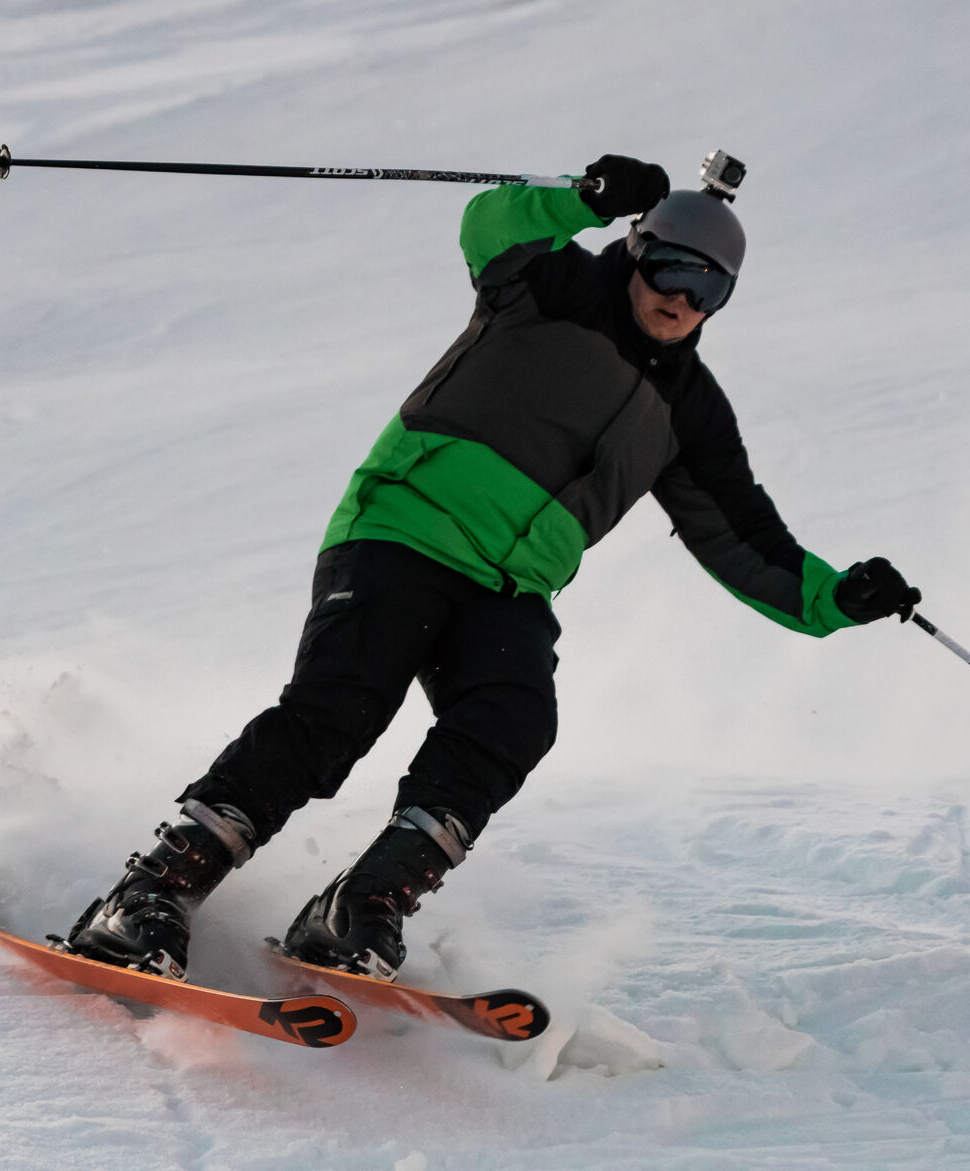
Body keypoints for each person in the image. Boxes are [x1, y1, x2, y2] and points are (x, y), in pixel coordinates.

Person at [62, 153, 920, 983]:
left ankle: (360, 903)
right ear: (637, 250)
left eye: (709, 290)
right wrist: (583, 198)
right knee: (340, 707)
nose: (680, 300)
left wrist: (836, 596)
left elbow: (744, 537)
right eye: (670, 271)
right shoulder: (550, 285)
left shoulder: (688, 410)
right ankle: (149, 892)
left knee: (513, 720)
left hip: (509, 586)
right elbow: (488, 225)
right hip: (404, 528)